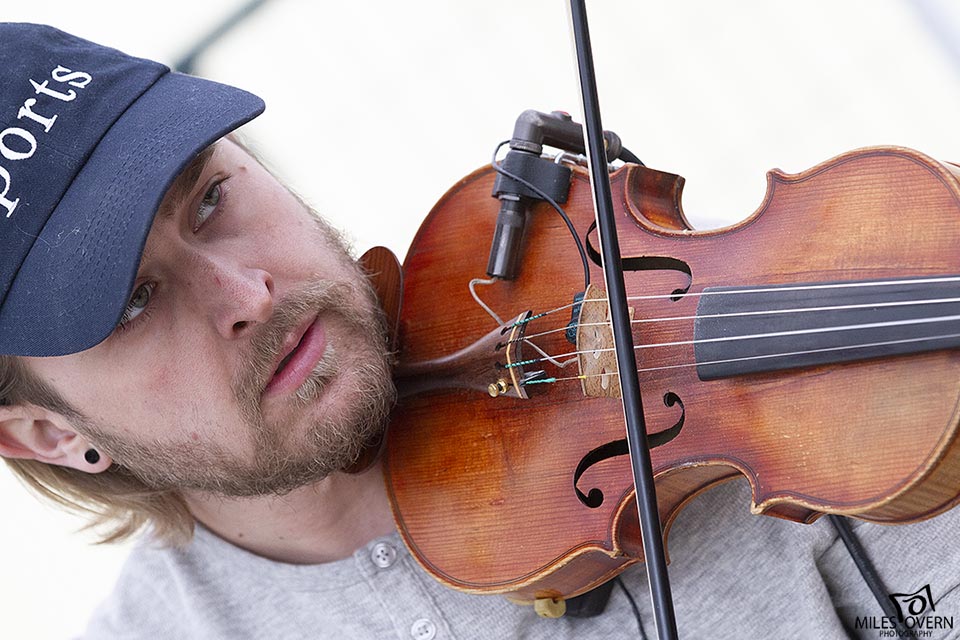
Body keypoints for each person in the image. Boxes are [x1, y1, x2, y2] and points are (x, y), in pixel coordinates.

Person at [1, 23, 958, 640]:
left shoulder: (704, 384)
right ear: (47, 433)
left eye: (212, 198)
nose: (246, 288)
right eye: (132, 304)